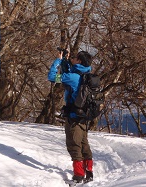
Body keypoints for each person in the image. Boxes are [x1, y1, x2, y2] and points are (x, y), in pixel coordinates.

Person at [48, 49, 94, 184]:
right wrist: (65, 61)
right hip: (84, 116)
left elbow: (52, 77)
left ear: (79, 61)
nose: (72, 59)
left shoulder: (73, 77)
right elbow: (70, 73)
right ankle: (89, 172)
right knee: (84, 144)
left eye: (75, 58)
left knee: (74, 145)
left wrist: (57, 61)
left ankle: (78, 176)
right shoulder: (87, 74)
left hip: (73, 117)